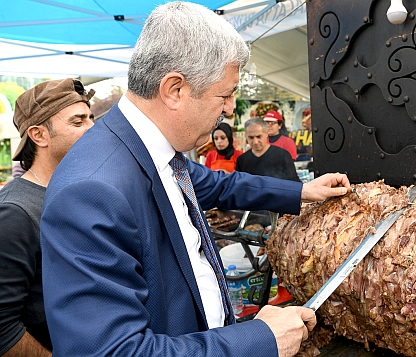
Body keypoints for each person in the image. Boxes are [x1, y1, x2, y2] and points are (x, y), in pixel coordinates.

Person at [39, 3, 350, 357]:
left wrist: (302, 191)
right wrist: (259, 340)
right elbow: (110, 351)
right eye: (225, 94)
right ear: (174, 89)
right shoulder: (91, 191)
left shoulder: (159, 152)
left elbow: (221, 185)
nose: (231, 109)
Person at [0, 78, 95, 356]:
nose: (92, 129)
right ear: (39, 135)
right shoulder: (15, 213)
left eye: (91, 118)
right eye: (78, 122)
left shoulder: (78, 193)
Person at [236, 118, 300, 182]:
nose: (255, 141)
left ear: (266, 134)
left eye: (259, 137)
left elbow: (294, 183)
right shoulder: (242, 160)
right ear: (246, 136)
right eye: (251, 137)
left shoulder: (282, 156)